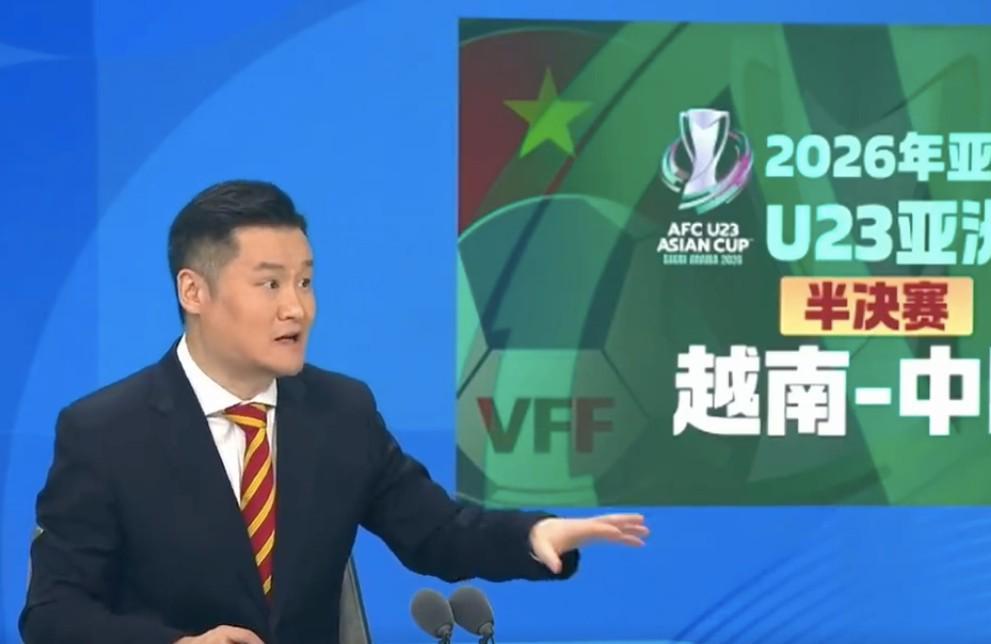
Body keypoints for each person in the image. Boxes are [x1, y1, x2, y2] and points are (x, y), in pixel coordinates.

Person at [20, 180, 648, 644]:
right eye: (270, 284)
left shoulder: (340, 413)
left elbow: (437, 532)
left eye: (305, 281)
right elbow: (53, 614)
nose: (297, 308)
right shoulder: (105, 432)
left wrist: (534, 537)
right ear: (194, 291)